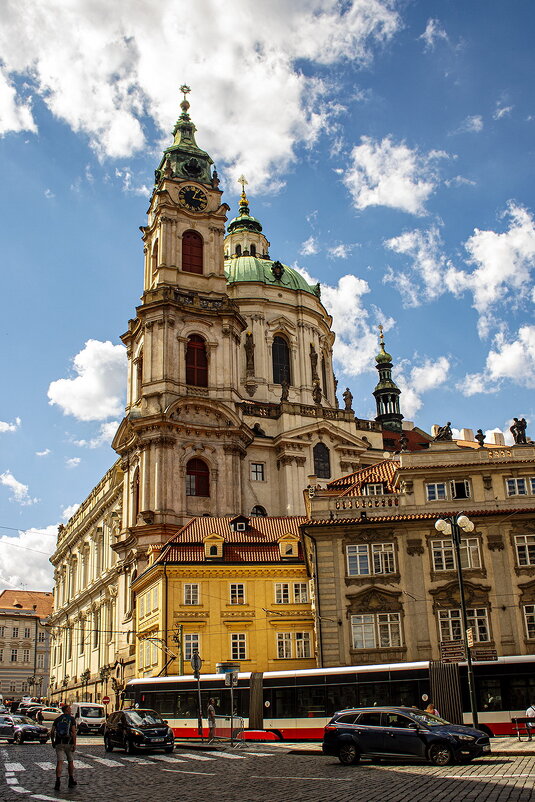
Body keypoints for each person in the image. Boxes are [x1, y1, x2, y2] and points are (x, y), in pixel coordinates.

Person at [50, 703, 77, 791]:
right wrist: (74, 744)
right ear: (67, 710)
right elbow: (73, 732)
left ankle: (57, 782)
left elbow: (52, 731)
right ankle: (71, 780)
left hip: (59, 743)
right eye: (69, 709)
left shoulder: (58, 719)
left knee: (60, 762)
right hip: (68, 743)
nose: (70, 710)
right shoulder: (71, 719)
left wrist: (53, 741)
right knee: (70, 761)